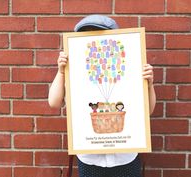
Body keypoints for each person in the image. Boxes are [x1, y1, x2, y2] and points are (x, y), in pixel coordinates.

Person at [48, 15, 156, 177]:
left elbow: (148, 110)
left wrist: (149, 84)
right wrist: (61, 72)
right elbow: (54, 102)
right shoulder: (75, 70)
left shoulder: (131, 66)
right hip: (90, 158)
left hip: (125, 156)